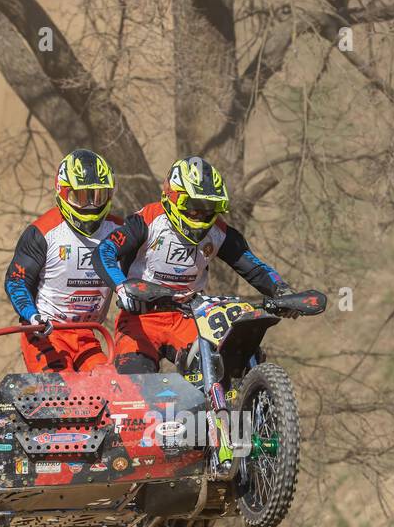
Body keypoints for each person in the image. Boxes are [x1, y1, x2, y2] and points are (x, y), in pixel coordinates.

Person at [93, 156, 293, 372]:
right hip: (141, 319)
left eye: (209, 208)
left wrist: (281, 290)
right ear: (172, 197)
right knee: (133, 381)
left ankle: (243, 401)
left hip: (190, 316)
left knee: (233, 360)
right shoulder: (146, 221)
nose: (200, 216)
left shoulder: (218, 232)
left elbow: (254, 268)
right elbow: (104, 251)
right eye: (194, 207)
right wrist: (122, 287)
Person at [3, 149, 120, 372]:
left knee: (109, 388)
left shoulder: (118, 230)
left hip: (87, 334)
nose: (91, 206)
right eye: (82, 197)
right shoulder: (42, 232)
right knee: (58, 396)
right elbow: (16, 280)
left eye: (98, 196)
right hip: (45, 334)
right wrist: (31, 314)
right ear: (63, 192)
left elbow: (144, 268)